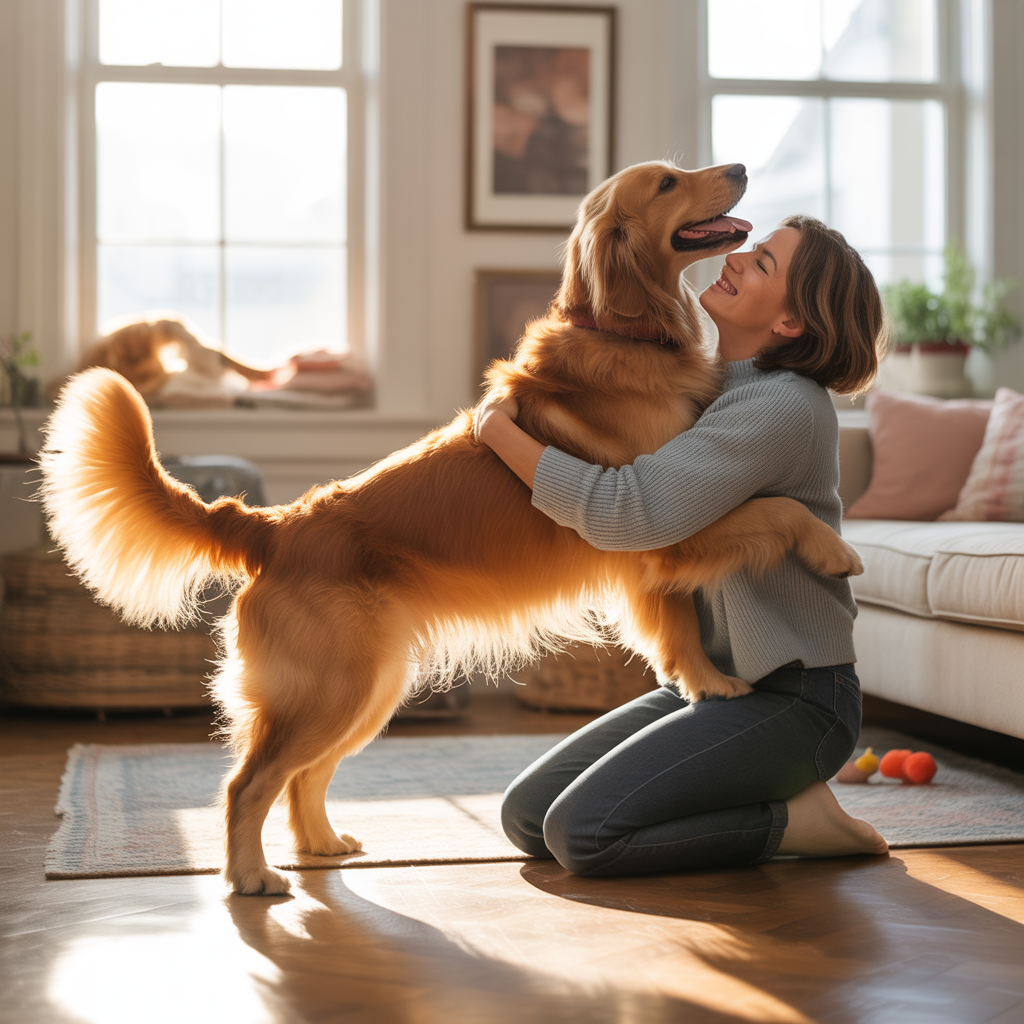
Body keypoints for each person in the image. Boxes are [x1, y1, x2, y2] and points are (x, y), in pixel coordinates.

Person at [473, 215, 890, 877]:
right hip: (714, 686)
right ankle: (760, 794)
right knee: (527, 818)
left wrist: (497, 431)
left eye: (764, 264)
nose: (739, 258)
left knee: (584, 835)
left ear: (789, 323)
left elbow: (629, 511)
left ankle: (792, 822)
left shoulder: (782, 405)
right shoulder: (711, 390)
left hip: (796, 700)